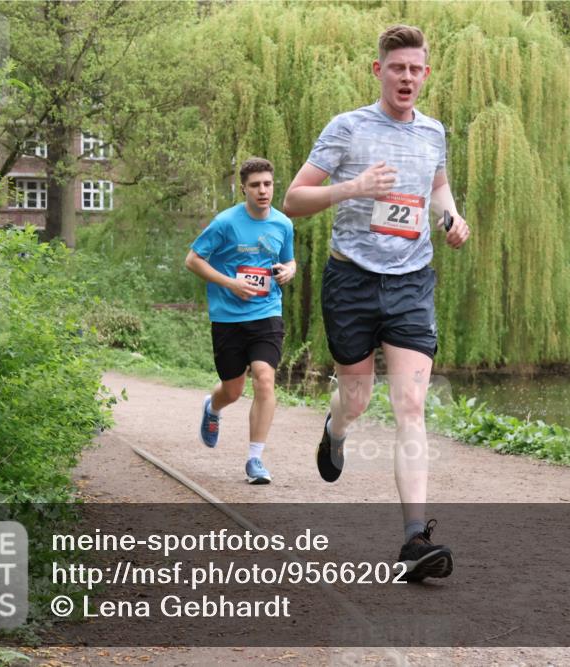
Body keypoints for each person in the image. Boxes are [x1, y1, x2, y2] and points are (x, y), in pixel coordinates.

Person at [282, 25, 470, 581]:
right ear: (378, 71)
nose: (406, 77)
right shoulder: (347, 128)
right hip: (353, 280)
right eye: (397, 68)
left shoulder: (433, 133)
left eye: (416, 69)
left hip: (412, 280)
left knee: (411, 407)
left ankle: (415, 539)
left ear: (426, 75)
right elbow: (294, 199)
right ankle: (335, 428)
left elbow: (436, 189)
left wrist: (450, 219)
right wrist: (352, 188)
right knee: (358, 399)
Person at [185, 157, 296, 484]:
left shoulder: (283, 224)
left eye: (268, 184)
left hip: (267, 313)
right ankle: (213, 407)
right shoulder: (224, 223)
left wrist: (290, 270)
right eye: (255, 185)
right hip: (228, 317)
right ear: (243, 188)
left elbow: (288, 259)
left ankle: (254, 460)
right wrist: (231, 282)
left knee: (264, 378)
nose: (263, 191)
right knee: (232, 390)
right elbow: (192, 260)